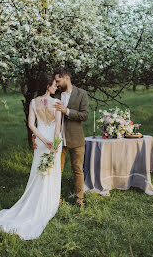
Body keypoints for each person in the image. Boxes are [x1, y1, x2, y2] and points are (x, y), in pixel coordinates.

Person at [0, 75, 62, 240]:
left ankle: (36, 202)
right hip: (52, 142)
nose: (56, 87)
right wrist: (54, 143)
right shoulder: (57, 103)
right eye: (54, 85)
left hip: (40, 141)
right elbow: (57, 127)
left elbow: (31, 125)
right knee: (51, 172)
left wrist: (42, 140)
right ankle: (48, 204)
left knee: (38, 172)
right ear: (48, 86)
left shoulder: (33, 102)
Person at [54, 67, 89, 207]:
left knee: (78, 170)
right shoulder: (55, 95)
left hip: (76, 139)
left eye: (58, 81)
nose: (56, 84)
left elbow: (84, 115)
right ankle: (56, 199)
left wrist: (67, 111)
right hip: (59, 140)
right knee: (57, 171)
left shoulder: (81, 94)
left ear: (66, 78)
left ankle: (79, 199)